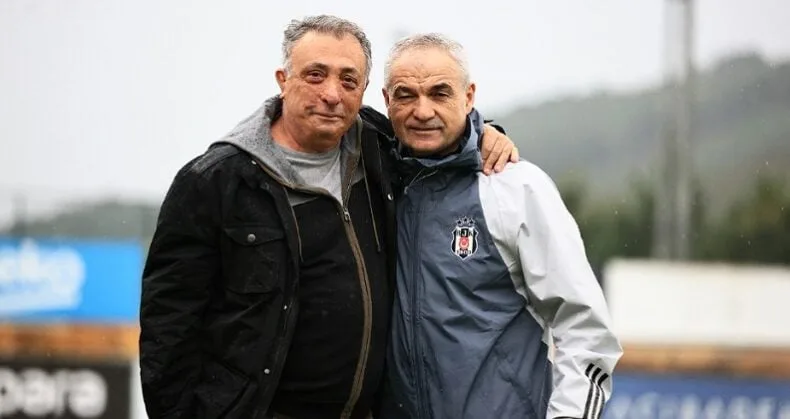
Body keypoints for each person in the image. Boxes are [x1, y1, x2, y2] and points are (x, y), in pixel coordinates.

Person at [138, 15, 517, 419]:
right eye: (315, 75)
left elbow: (436, 133)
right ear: (283, 80)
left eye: (348, 80)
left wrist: (485, 134)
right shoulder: (215, 182)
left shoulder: (378, 145)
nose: (332, 94)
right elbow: (169, 327)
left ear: (365, 91)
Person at [379, 33, 623, 419]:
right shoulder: (374, 183)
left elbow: (585, 329)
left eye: (440, 93)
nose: (422, 111)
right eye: (406, 95)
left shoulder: (516, 187)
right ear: (386, 101)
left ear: (469, 97)